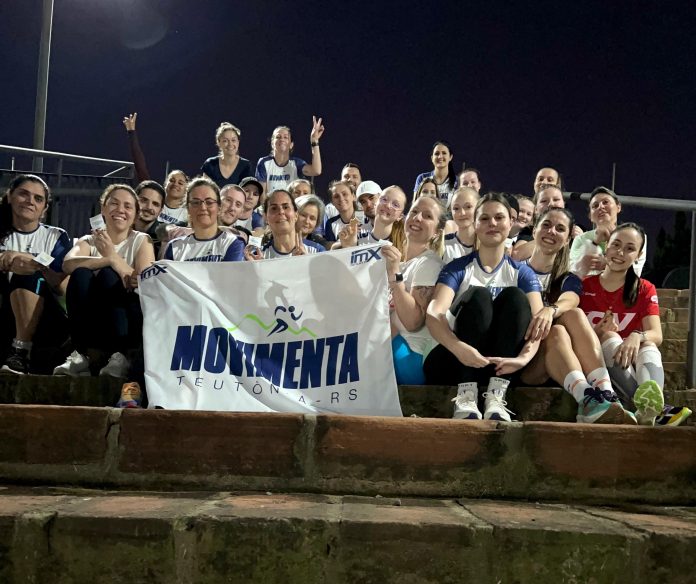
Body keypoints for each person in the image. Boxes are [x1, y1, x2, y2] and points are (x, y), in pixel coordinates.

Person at [424, 193, 544, 421]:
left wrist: (523, 359)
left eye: (499, 218)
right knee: (478, 295)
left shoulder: (522, 273)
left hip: (502, 365)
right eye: (485, 218)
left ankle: (497, 396)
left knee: (516, 298)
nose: (492, 224)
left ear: (511, 221)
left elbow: (538, 323)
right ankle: (465, 396)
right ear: (475, 224)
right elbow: (434, 313)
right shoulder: (458, 268)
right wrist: (459, 348)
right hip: (458, 359)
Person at [519, 208, 636, 424]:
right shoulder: (513, 271)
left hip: (557, 363)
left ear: (566, 240)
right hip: (523, 361)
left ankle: (602, 394)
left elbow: (571, 298)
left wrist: (550, 309)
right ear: (534, 230)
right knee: (558, 329)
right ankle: (590, 398)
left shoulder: (567, 279)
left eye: (560, 229)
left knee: (567, 320)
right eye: (546, 225)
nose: (551, 231)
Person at [579, 223, 691, 426]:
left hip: (632, 367)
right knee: (610, 336)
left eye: (629, 248)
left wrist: (636, 335)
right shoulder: (583, 286)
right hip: (598, 368)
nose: (620, 252)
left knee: (648, 343)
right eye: (616, 245)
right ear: (607, 246)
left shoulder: (644, 288)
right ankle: (656, 410)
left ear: (638, 255)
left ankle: (648, 408)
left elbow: (656, 334)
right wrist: (598, 332)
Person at [55, 184, 155, 378]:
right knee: (81, 273)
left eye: (127, 206)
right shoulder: (89, 240)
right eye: (114, 203)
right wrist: (108, 259)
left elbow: (144, 281)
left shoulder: (142, 240)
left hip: (126, 316)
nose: (120, 210)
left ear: (135, 215)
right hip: (93, 317)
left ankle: (120, 356)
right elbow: (68, 264)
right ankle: (81, 355)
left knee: (109, 274)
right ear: (103, 208)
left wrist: (112, 258)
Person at [0, 175, 71, 374]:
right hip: (4, 309)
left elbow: (62, 285)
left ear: (44, 208)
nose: (30, 201)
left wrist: (24, 258)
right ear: (10, 197)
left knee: (29, 273)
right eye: (23, 194)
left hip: (44, 314)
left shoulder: (56, 236)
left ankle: (21, 351)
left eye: (38, 199)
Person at [386, 196, 446, 384]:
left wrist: (395, 274)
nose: (417, 218)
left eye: (427, 216)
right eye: (414, 211)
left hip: (408, 357)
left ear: (437, 232)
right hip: (389, 351)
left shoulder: (429, 264)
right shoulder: (399, 262)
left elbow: (413, 322)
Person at [571, 186, 646, 278]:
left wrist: (607, 264)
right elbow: (575, 272)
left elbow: (635, 272)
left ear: (618, 207)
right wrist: (595, 243)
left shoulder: (637, 237)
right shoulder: (581, 239)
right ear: (590, 216)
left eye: (605, 202)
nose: (601, 207)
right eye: (595, 206)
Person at [164, 177, 245, 262]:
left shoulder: (233, 243)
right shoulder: (174, 247)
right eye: (196, 202)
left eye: (209, 202)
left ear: (219, 207)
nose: (202, 207)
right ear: (188, 208)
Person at [245, 190, 325, 260]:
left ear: (296, 215)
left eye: (286, 207)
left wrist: (305, 263)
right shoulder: (257, 256)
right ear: (265, 217)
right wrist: (259, 268)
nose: (281, 211)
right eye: (274, 208)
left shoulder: (317, 251)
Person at [255, 117, 325, 194]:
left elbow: (316, 171)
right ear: (272, 143)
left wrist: (314, 141)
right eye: (278, 137)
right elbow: (262, 195)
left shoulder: (296, 164)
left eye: (286, 137)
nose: (282, 139)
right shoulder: (264, 163)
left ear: (291, 145)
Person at [200, 122, 252, 188]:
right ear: (219, 143)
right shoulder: (210, 164)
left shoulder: (246, 165)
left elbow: (247, 190)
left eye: (233, 140)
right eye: (225, 141)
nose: (230, 144)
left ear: (238, 142)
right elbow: (206, 190)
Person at [413, 141, 458, 206]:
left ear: (450, 157)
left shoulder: (457, 181)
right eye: (437, 153)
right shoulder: (422, 178)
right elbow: (415, 204)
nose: (440, 156)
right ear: (432, 158)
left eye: (444, 153)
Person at [443, 187, 479, 263]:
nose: (462, 213)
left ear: (478, 208)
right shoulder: (443, 244)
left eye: (468, 207)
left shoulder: (489, 243)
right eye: (456, 208)